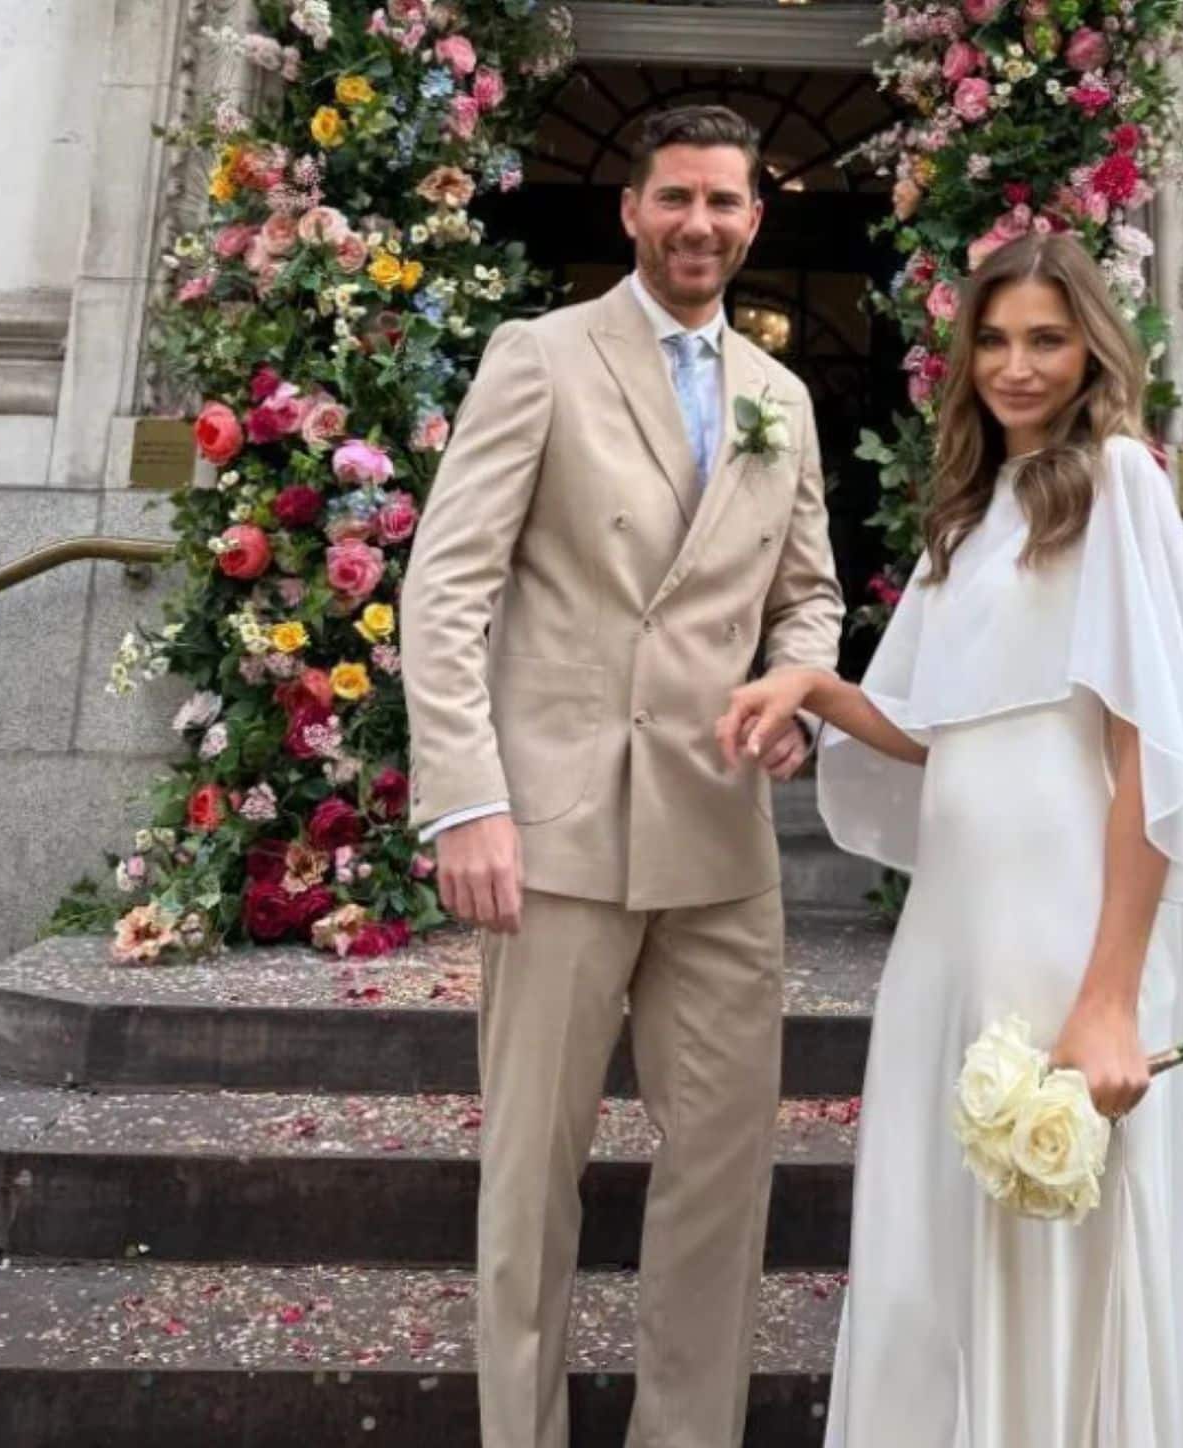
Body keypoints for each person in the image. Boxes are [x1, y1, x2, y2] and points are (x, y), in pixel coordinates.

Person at [716, 231, 1183, 1447]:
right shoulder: (969, 511)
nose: (1017, 366)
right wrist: (809, 682)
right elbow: (933, 726)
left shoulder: (1118, 481)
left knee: (1064, 1230)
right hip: (954, 932)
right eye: (994, 338)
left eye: (1047, 338)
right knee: (939, 1238)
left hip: (1068, 917)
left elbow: (1146, 758)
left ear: (1092, 350)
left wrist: (1114, 992)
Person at [399, 104, 844, 1448]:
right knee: (531, 1182)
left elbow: (810, 598)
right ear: (631, 211)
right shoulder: (539, 358)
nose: (701, 223)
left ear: (757, 217)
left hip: (720, 844)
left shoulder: (784, 398)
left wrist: (798, 699)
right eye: (676, 200)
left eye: (726, 202)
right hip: (555, 835)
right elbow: (448, 584)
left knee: (721, 1181)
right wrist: (468, 799)